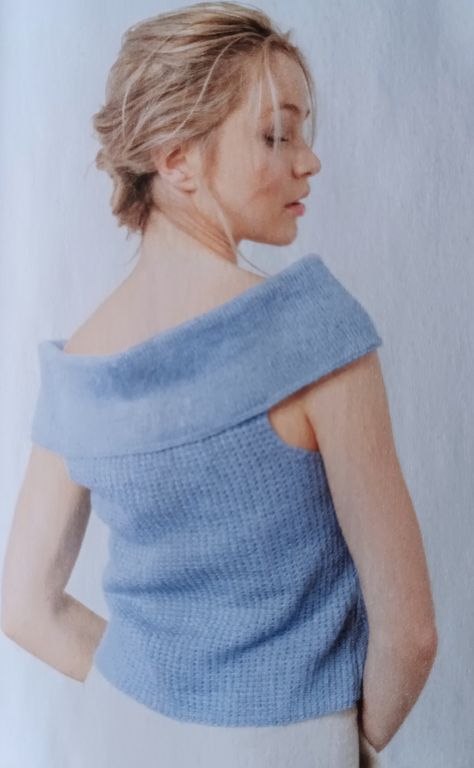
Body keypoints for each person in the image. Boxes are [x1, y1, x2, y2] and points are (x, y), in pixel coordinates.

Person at [1, 3, 438, 766]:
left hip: (121, 737)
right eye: (276, 135)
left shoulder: (80, 367)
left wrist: (154, 696)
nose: (309, 161)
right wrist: (348, 747)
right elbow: (411, 635)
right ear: (176, 160)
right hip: (286, 744)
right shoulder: (313, 331)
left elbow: (24, 606)